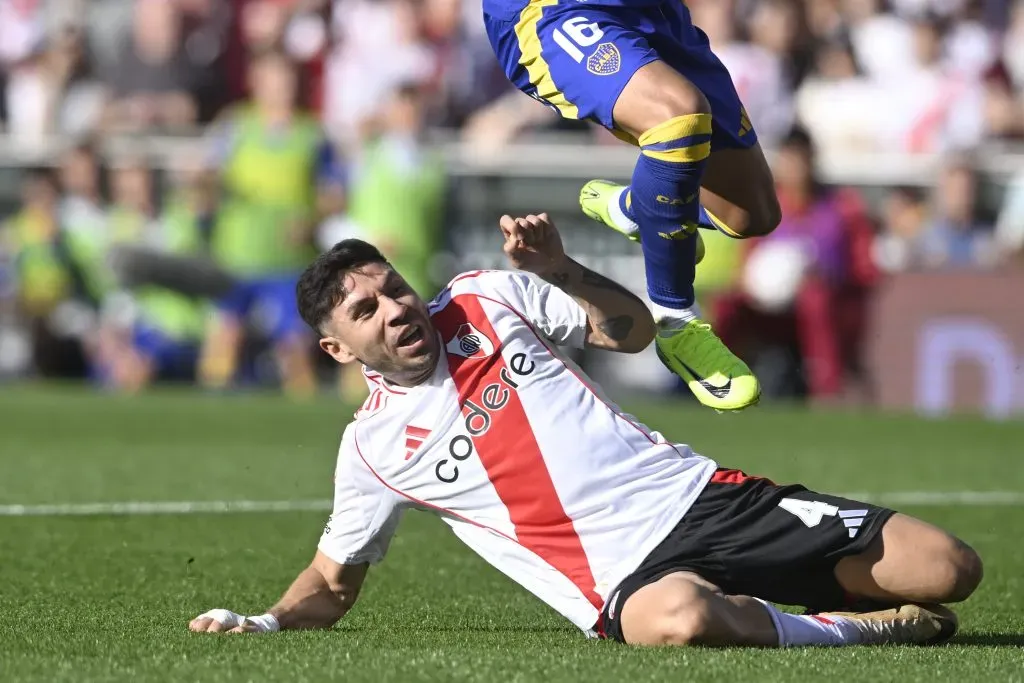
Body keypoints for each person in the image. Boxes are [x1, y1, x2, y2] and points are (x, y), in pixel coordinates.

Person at [189, 213, 981, 647]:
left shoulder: (483, 297)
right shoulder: (370, 448)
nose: (395, 307)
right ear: (337, 347)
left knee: (950, 567)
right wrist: (262, 619)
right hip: (624, 580)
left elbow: (632, 331)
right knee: (678, 622)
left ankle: (788, 592)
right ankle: (850, 631)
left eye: (392, 288)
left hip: (703, 499)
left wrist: (559, 270)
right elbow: (332, 585)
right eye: (366, 310)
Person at [480, 0, 784, 411]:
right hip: (555, 11)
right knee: (677, 116)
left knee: (750, 213)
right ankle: (676, 321)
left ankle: (642, 207)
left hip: (654, 11)